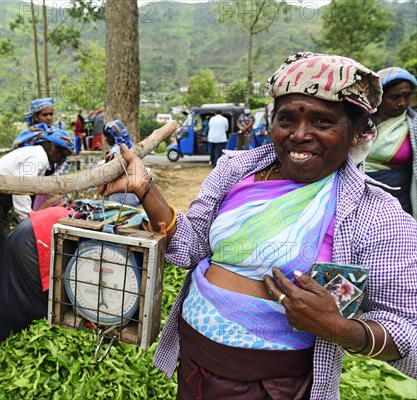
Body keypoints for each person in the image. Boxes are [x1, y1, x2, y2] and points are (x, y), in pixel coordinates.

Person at [100, 52, 417, 399]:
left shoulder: (377, 216)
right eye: (286, 119)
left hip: (276, 387)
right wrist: (145, 188)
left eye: (323, 122)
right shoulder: (236, 172)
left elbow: (410, 336)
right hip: (193, 365)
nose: (299, 135)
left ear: (356, 132)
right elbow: (191, 248)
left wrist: (339, 328)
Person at [0, 206, 71, 346]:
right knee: (34, 297)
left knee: (14, 289)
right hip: (33, 238)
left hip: (34, 230)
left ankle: (0, 338)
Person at [0, 131, 74, 264]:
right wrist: (30, 223)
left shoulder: (39, 157)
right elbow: (21, 191)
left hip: (0, 194)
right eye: (63, 154)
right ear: (52, 148)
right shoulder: (37, 158)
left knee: (2, 238)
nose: (62, 158)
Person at [365, 67, 416, 218]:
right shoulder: (359, 123)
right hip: (361, 196)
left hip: (401, 200)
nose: (402, 103)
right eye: (395, 97)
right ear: (379, 97)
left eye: (407, 96)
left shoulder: (413, 125)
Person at [102, 120, 139, 207]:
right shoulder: (127, 147)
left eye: (107, 136)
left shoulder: (117, 150)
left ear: (113, 136)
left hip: (119, 192)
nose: (106, 139)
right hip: (130, 190)